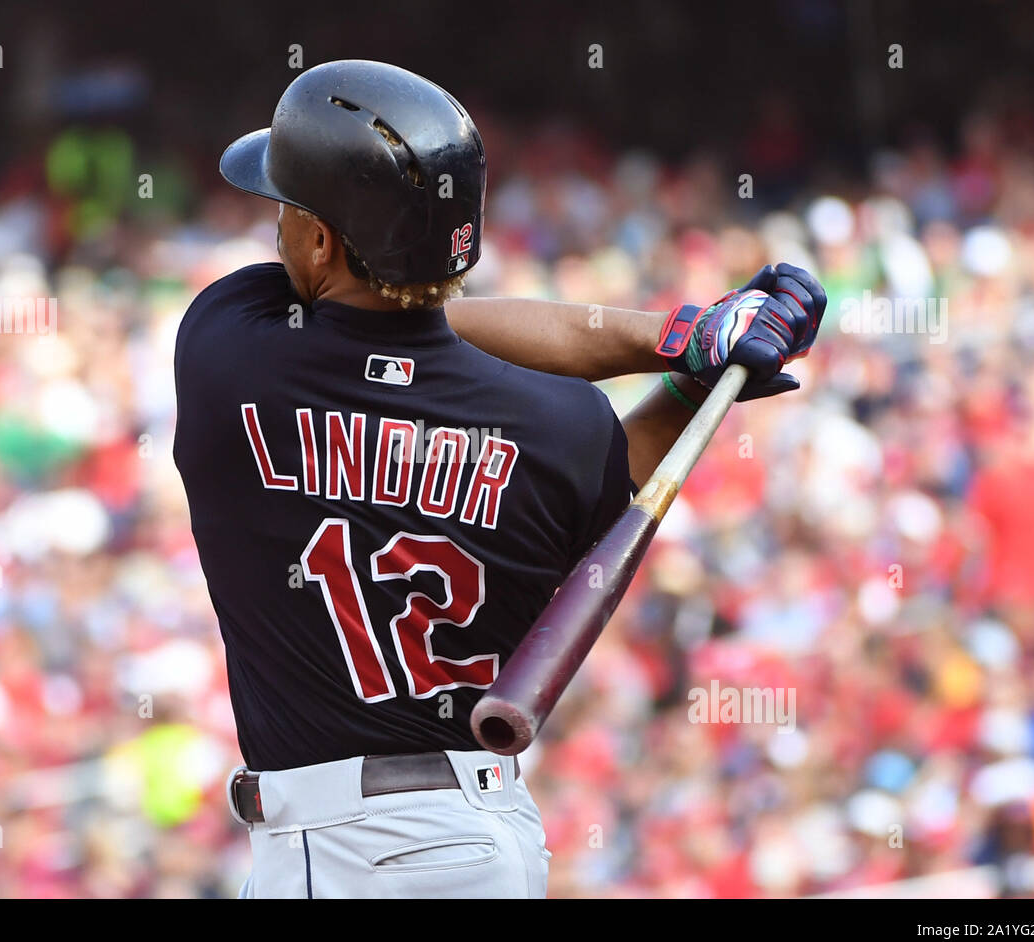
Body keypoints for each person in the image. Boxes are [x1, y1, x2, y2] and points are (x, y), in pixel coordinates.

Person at [173, 59, 825, 898]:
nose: (279, 224)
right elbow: (446, 337)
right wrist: (696, 357)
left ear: (324, 241)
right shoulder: (562, 426)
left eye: (289, 210)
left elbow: (405, 330)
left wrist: (679, 339)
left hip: (346, 852)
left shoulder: (228, 351)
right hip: (487, 833)